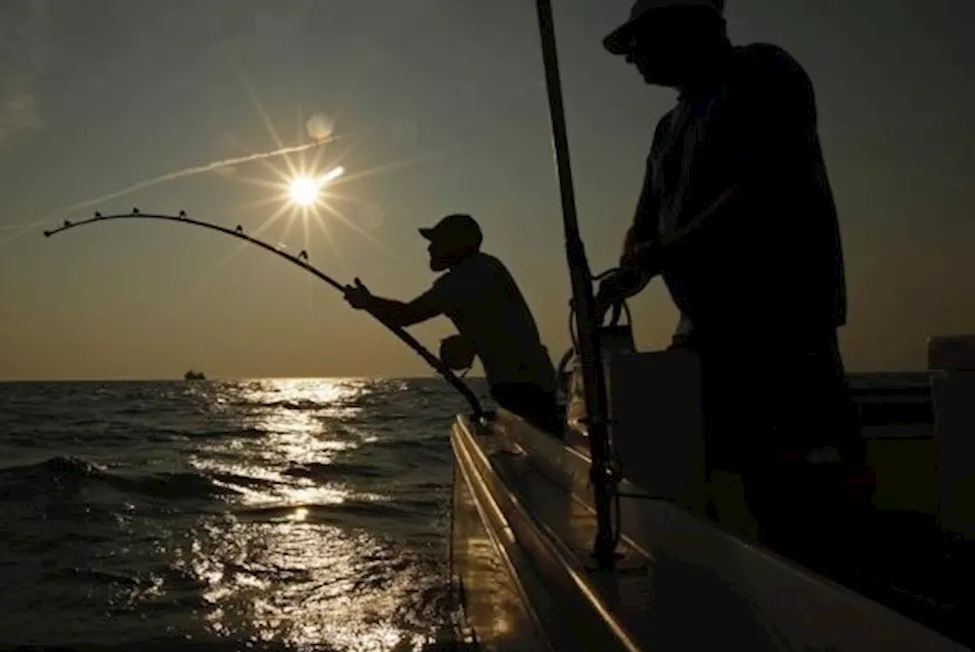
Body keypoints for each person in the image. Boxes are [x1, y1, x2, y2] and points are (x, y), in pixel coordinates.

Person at [594, 0, 874, 576]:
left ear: (686, 29)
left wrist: (666, 250)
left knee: (805, 471)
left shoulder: (764, 72)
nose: (633, 60)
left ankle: (841, 604)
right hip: (703, 325)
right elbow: (644, 222)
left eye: (639, 43)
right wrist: (633, 264)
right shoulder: (667, 127)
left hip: (784, 316)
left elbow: (766, 183)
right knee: (727, 470)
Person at [342, 213, 562, 434]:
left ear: (456, 245)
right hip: (539, 381)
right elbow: (498, 324)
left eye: (436, 242)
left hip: (518, 388)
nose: (429, 249)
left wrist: (367, 303)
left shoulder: (459, 281)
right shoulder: (489, 266)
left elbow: (406, 315)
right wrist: (469, 342)